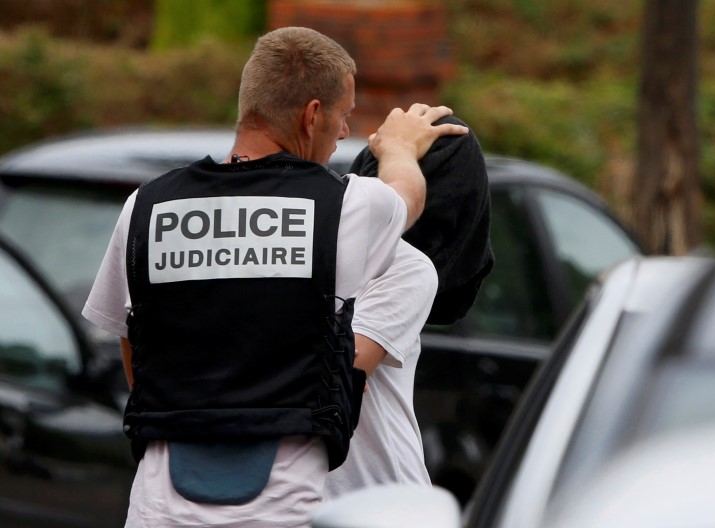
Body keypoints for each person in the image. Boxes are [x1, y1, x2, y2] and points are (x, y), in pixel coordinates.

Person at [81, 26, 467, 527]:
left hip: (158, 508)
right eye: (343, 117)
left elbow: (134, 342)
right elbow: (407, 198)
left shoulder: (147, 207)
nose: (344, 133)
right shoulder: (341, 207)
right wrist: (397, 149)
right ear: (311, 115)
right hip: (279, 509)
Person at [323, 117, 493, 500]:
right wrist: (400, 153)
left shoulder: (309, 242)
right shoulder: (408, 268)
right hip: (377, 501)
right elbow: (336, 373)